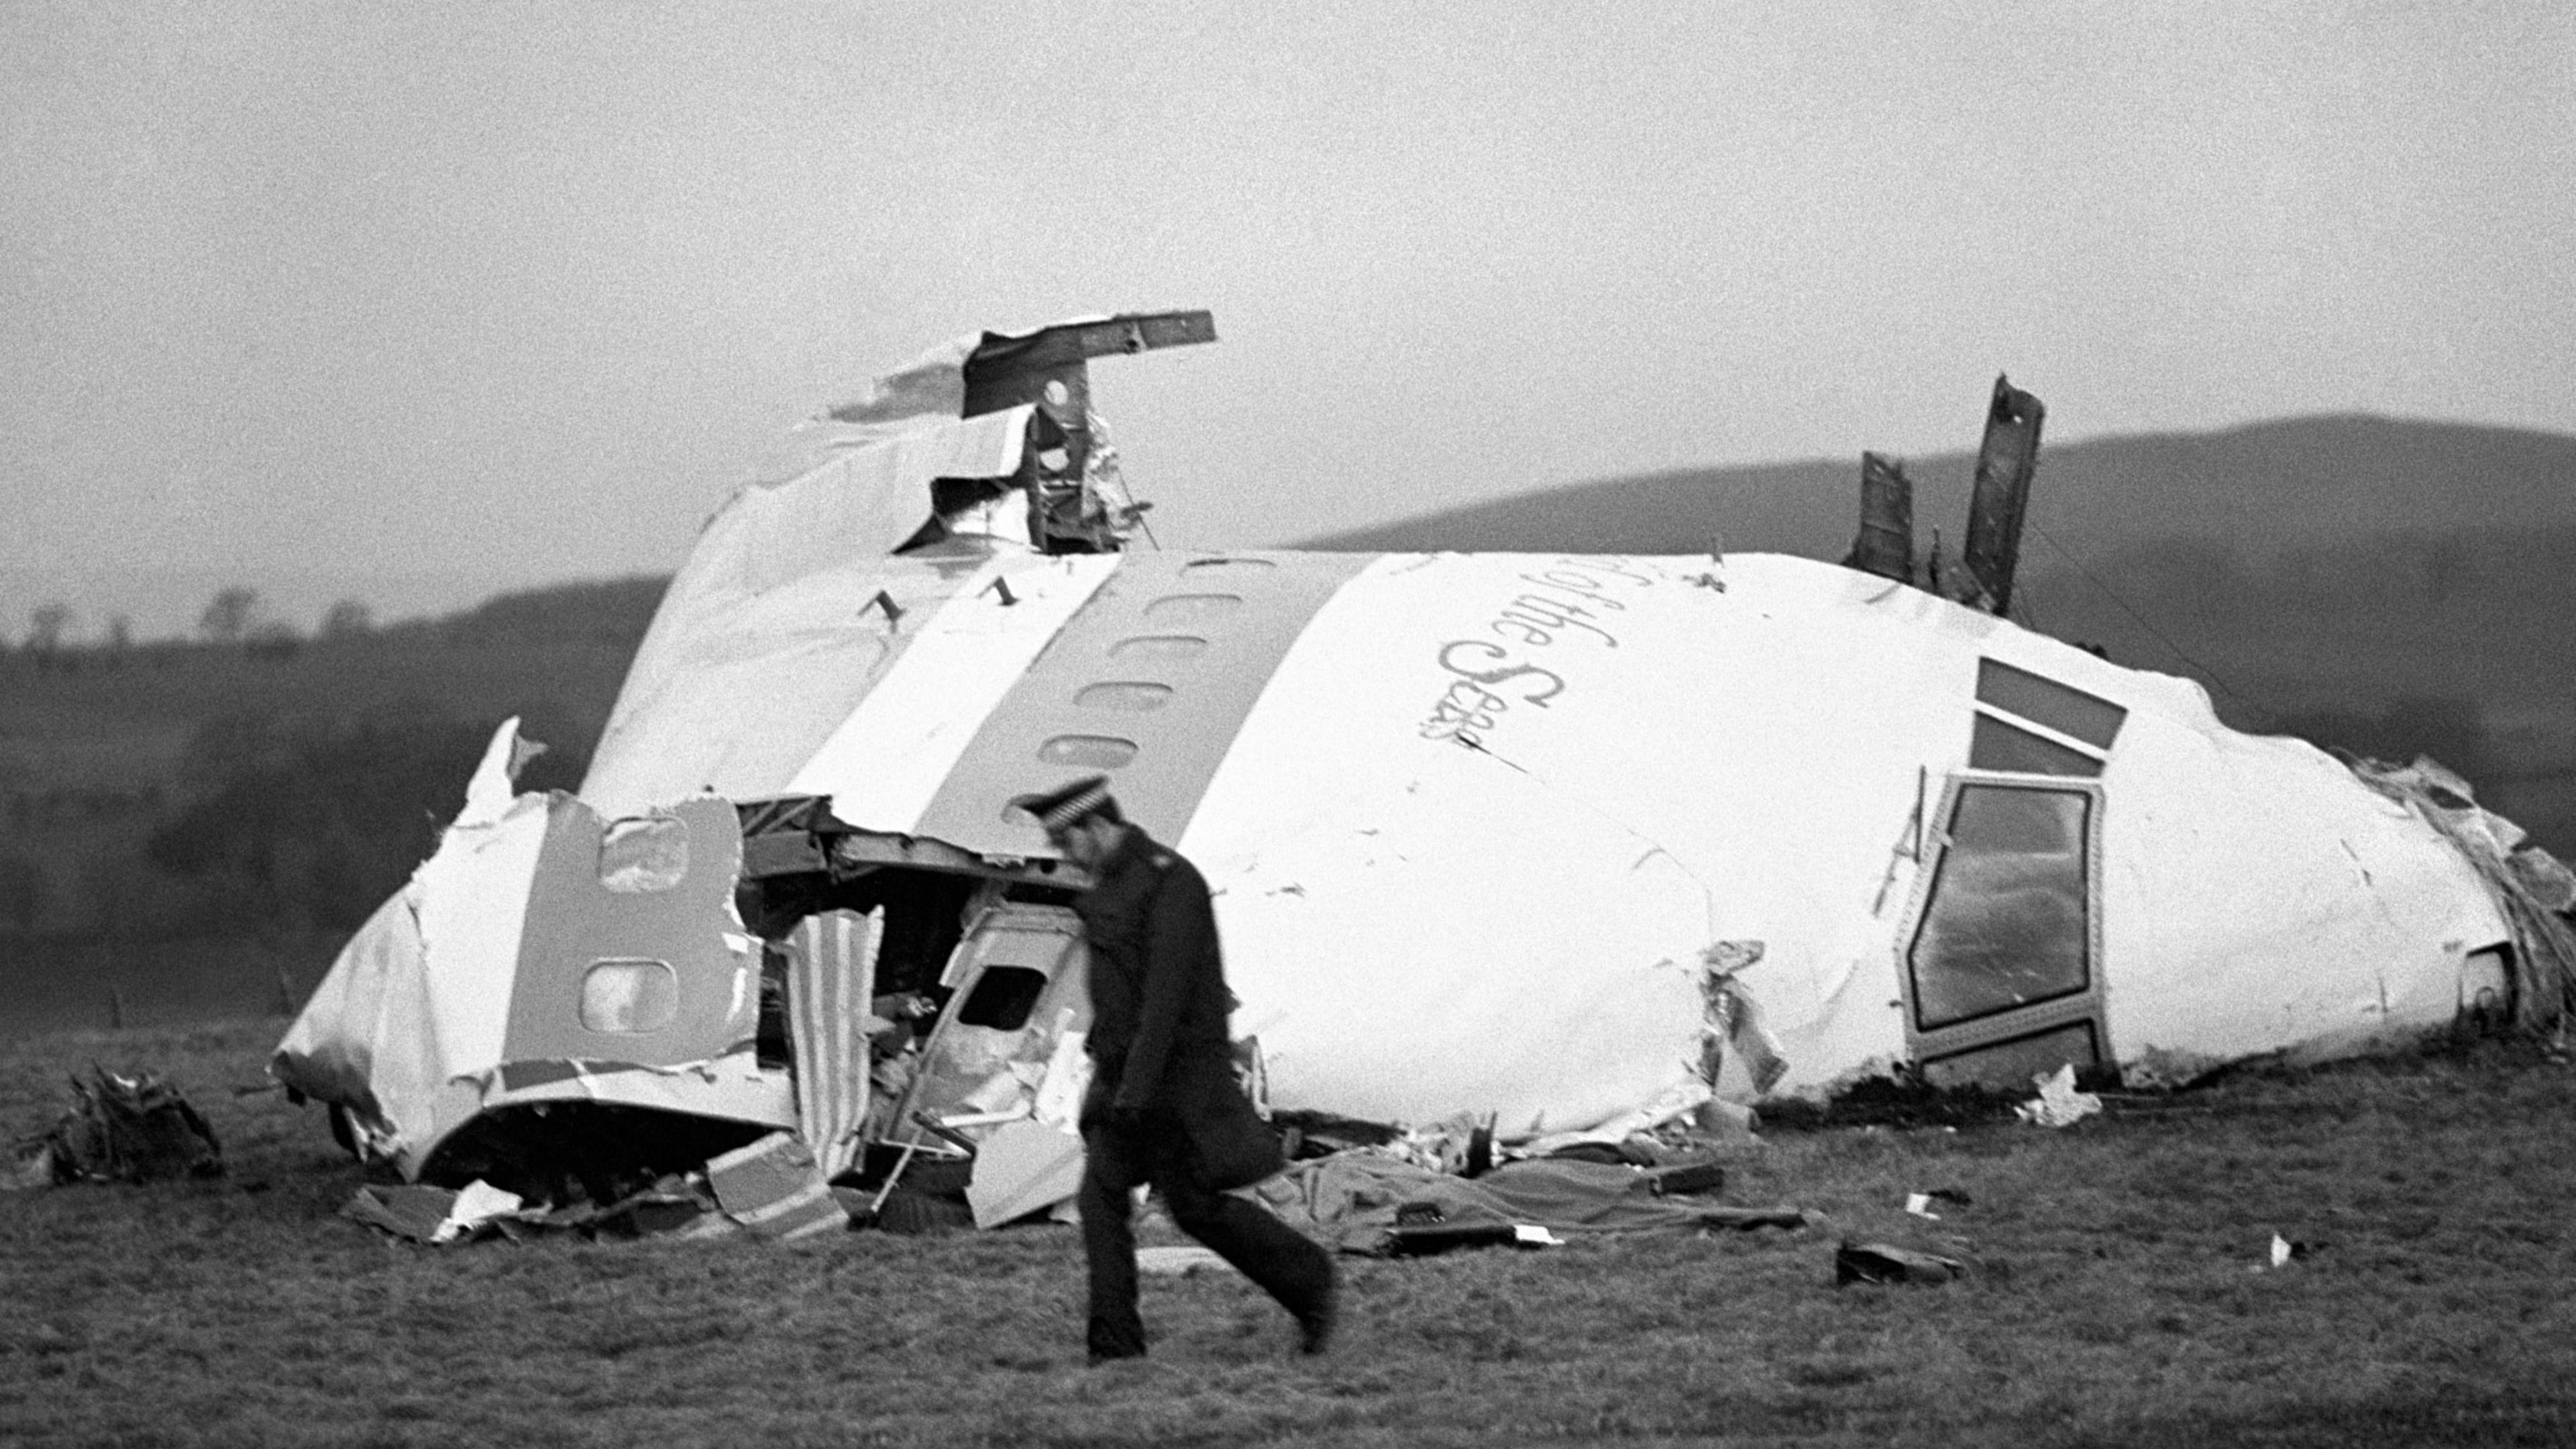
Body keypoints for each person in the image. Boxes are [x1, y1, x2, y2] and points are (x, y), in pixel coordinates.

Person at [1026, 773, 1338, 1364]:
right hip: (1125, 1079)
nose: (1064, 856)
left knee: (1194, 1209)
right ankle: (1115, 1349)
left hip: (1168, 1087)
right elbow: (1120, 995)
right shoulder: (1112, 888)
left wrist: (1133, 1097)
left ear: (1096, 827)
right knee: (1103, 1204)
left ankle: (1312, 1280)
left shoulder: (1172, 883)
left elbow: (1166, 1003)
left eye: (1067, 841)